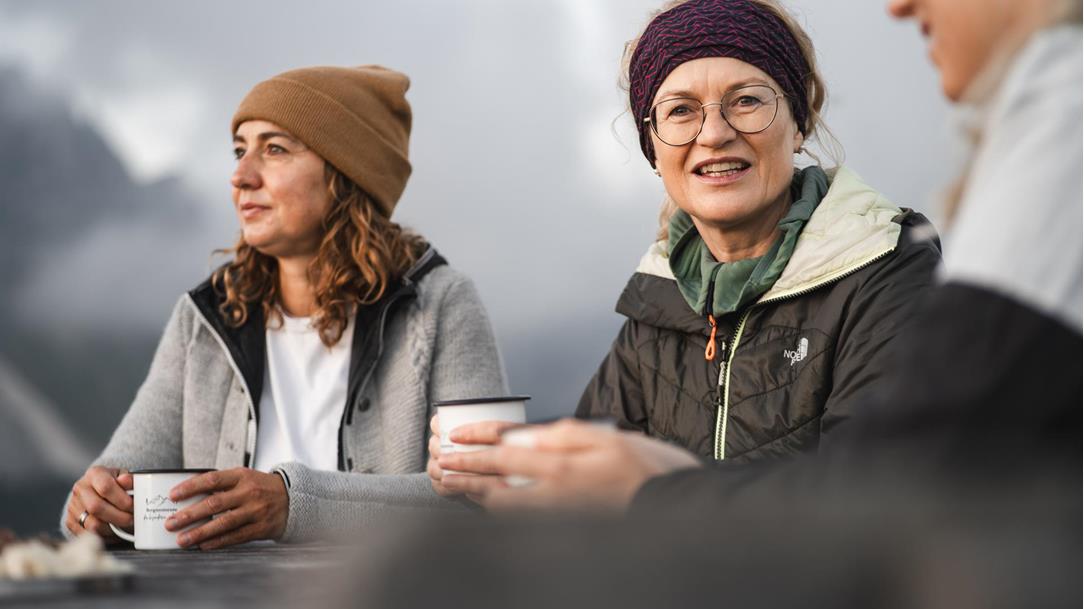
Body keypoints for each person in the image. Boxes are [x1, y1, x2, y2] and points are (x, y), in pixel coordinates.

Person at [434, 0, 1081, 512]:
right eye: (680, 111)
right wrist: (493, 468)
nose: (714, 132)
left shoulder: (888, 275)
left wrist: (655, 496)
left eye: (746, 99)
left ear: (798, 124)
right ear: (653, 148)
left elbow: (887, 506)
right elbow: (585, 482)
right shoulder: (661, 303)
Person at [61, 65, 507, 548]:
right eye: (239, 151)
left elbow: (479, 501)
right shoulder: (202, 319)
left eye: (274, 149)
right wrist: (94, 507)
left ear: (346, 174)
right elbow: (121, 474)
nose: (241, 176)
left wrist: (295, 504)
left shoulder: (442, 305)